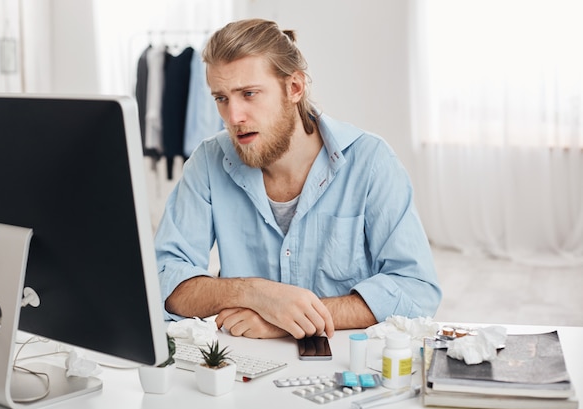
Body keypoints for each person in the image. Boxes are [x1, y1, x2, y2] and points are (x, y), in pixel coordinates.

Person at [155, 18, 441, 340]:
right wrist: (254, 293)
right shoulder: (208, 162)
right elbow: (164, 278)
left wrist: (284, 318)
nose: (233, 117)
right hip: (248, 368)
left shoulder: (371, 162)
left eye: (249, 94)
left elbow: (416, 289)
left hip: (346, 364)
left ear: (294, 88)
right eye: (221, 98)